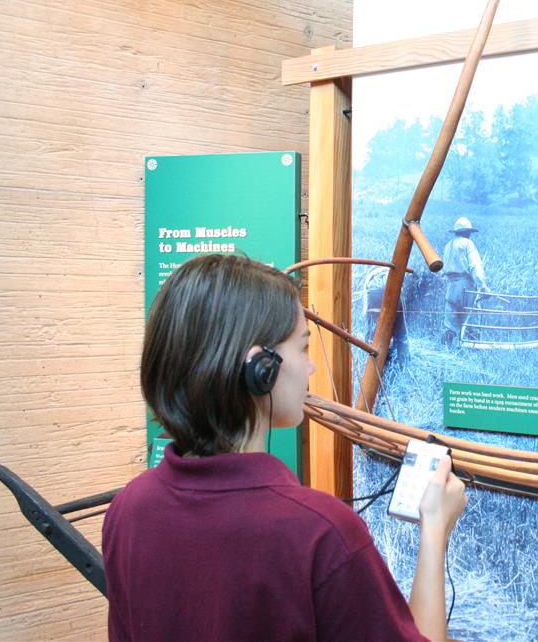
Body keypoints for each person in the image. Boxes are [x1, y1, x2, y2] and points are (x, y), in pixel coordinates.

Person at [103, 254, 467, 641]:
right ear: (261, 369)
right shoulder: (319, 535)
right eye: (303, 347)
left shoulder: (128, 509)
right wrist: (434, 530)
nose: (310, 369)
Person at [441, 217, 489, 346]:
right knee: (472, 316)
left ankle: (447, 350)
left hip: (451, 285)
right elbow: (475, 266)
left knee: (450, 321)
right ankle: (473, 350)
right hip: (466, 285)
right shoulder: (468, 244)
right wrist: (483, 286)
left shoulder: (448, 245)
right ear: (467, 232)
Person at [364, 265, 410, 366]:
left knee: (398, 329)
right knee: (374, 329)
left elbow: (402, 333)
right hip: (379, 288)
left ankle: (402, 362)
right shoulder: (375, 287)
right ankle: (400, 361)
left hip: (387, 289)